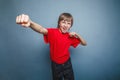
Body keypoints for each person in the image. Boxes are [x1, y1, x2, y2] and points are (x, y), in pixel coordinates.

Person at [16, 13, 87, 80]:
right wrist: (30, 22)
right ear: (59, 23)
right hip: (56, 65)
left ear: (70, 26)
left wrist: (77, 35)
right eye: (63, 22)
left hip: (67, 64)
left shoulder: (70, 36)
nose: (66, 25)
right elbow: (41, 29)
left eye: (68, 23)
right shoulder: (53, 32)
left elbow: (84, 43)